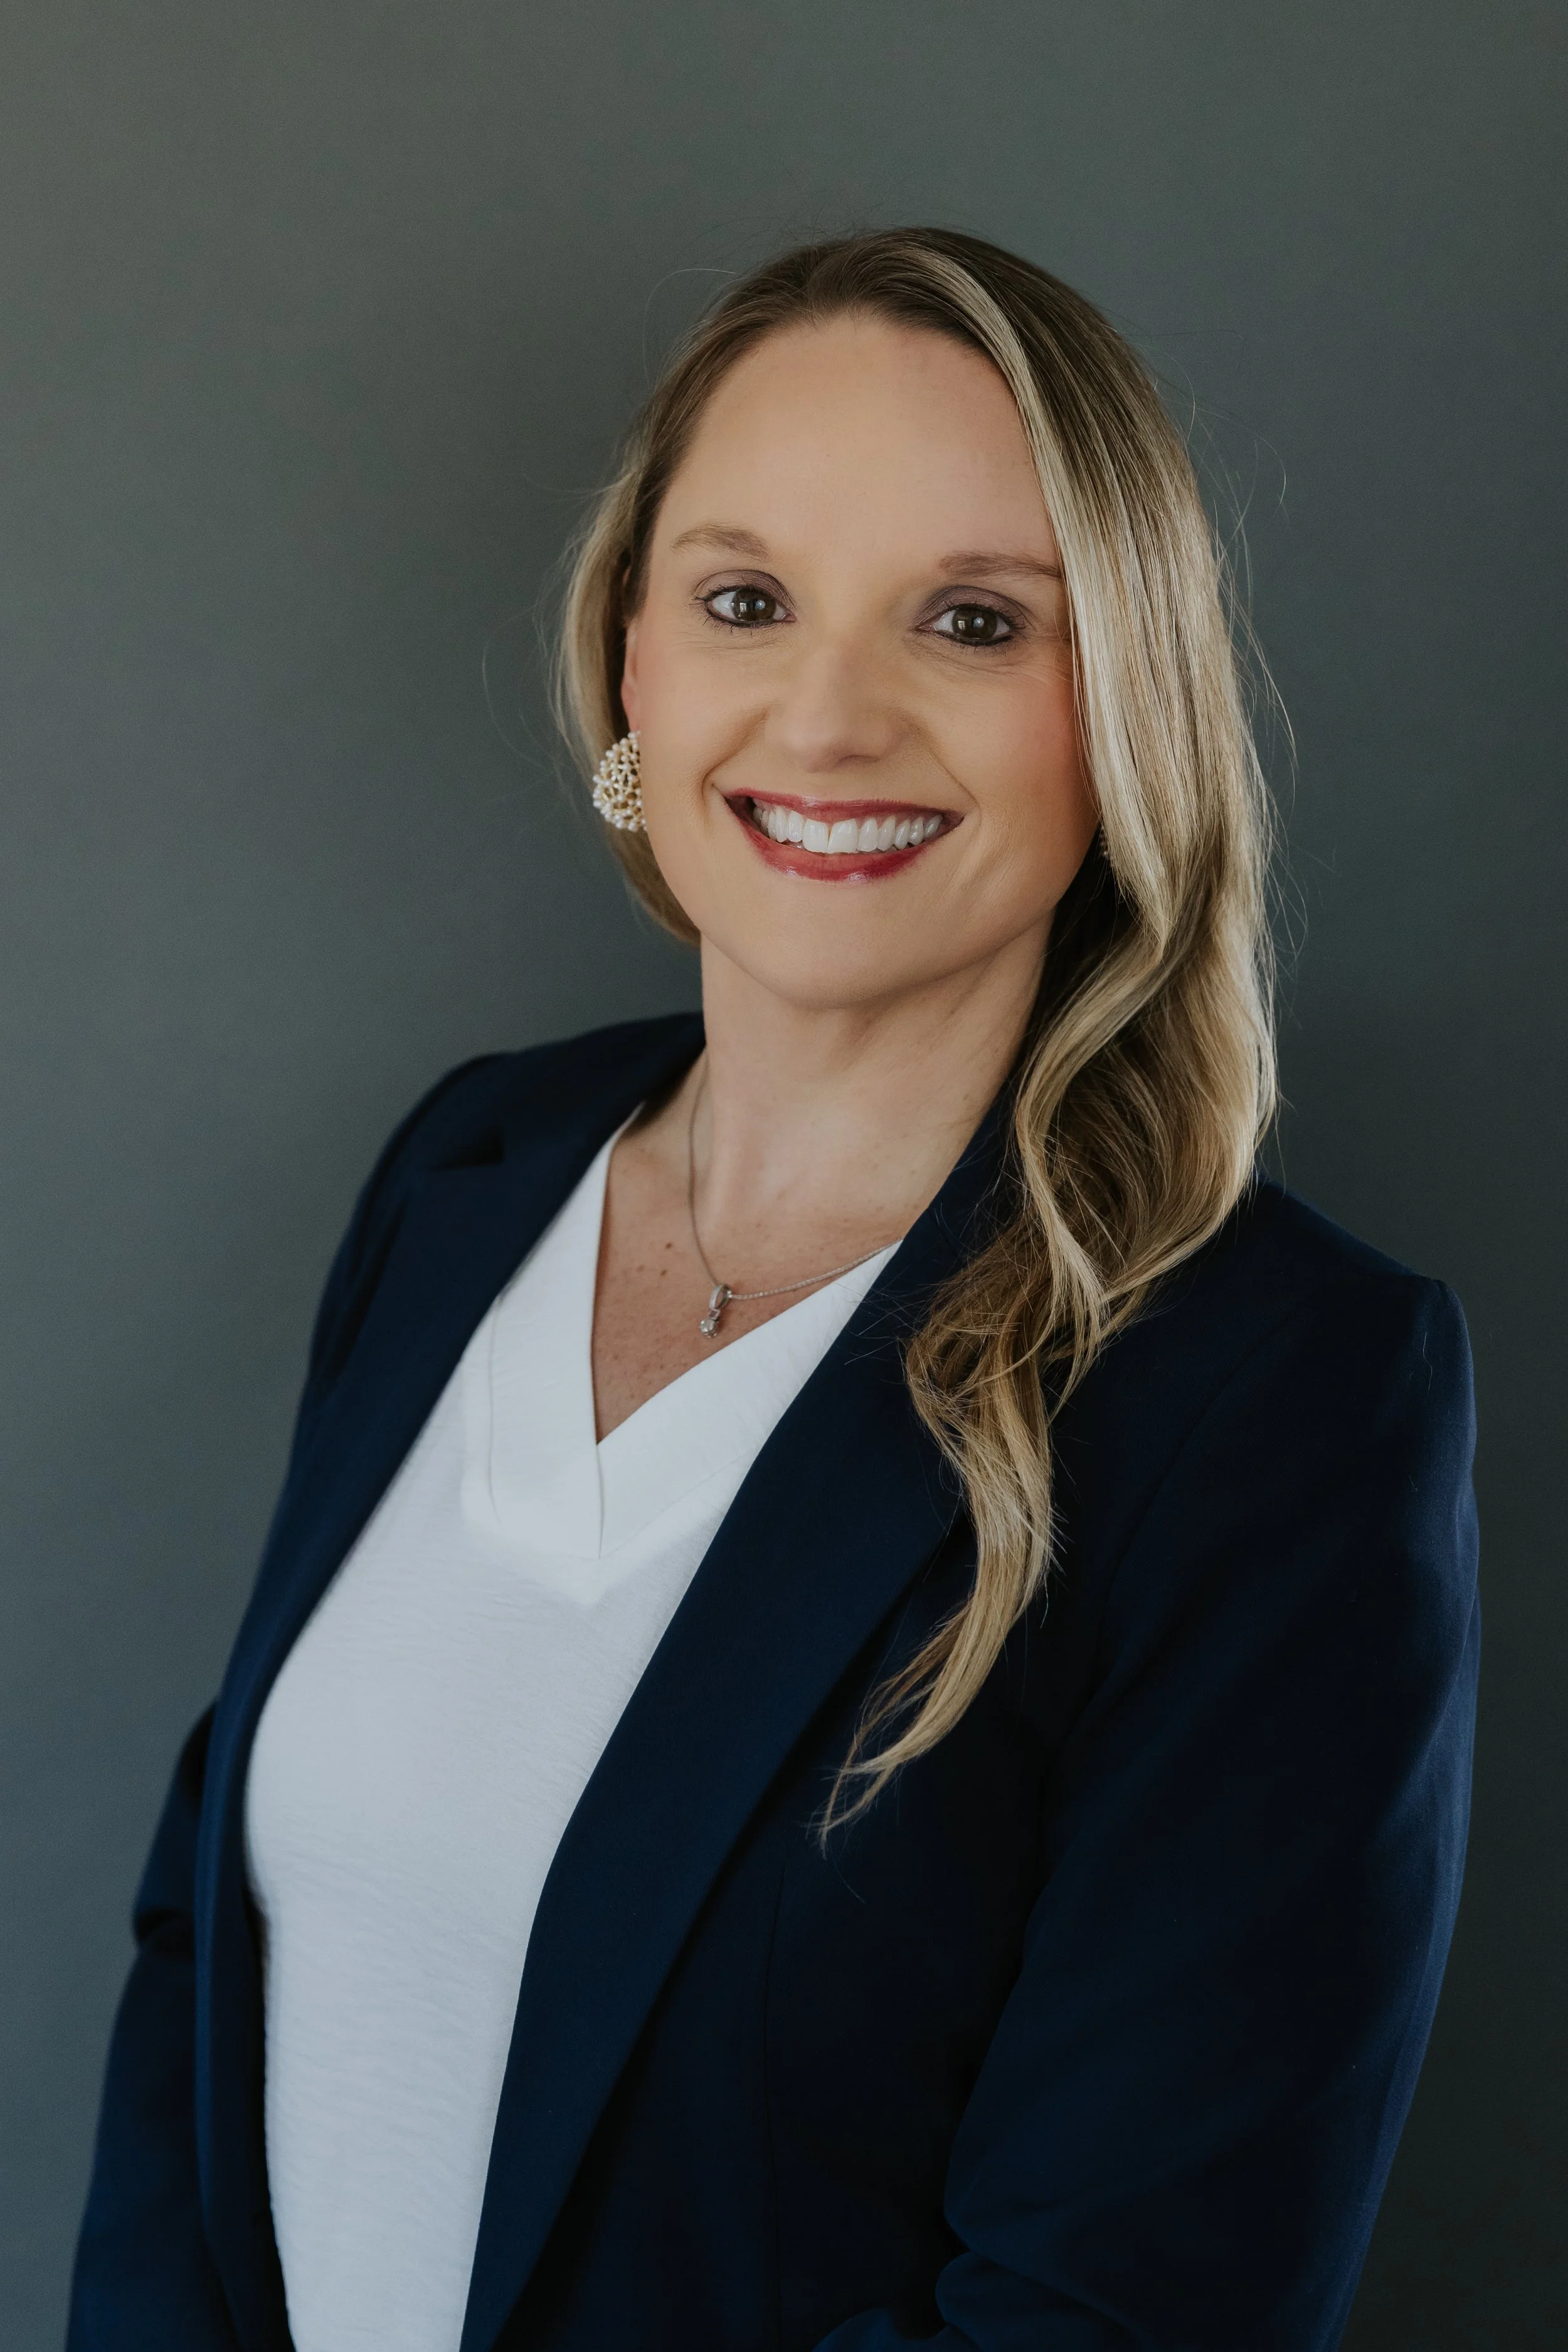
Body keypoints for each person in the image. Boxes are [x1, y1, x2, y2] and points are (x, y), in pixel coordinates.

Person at [68, 229, 1478, 2352]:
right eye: (745, 599)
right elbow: (209, 1953)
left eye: (972, 620)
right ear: (630, 656)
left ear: (1123, 711)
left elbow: (1109, 2311)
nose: (827, 715)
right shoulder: (468, 1174)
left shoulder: (1273, 1397)